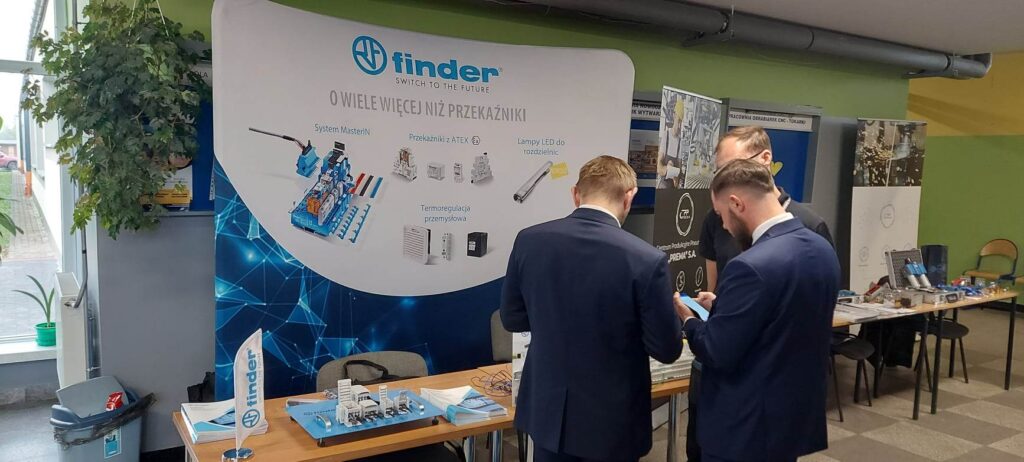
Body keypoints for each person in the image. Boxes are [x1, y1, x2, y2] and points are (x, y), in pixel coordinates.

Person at [501, 155, 683, 462]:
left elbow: (512, 318)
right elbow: (666, 349)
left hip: (549, 414)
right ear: (629, 197)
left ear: (575, 194)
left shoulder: (529, 241)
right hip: (612, 423)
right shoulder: (646, 260)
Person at [675, 159, 840, 462]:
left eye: (722, 216)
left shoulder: (750, 266)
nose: (724, 226)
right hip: (790, 422)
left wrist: (689, 320)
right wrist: (723, 305)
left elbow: (716, 350)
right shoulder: (823, 250)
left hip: (744, 427)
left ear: (736, 204)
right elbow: (782, 319)